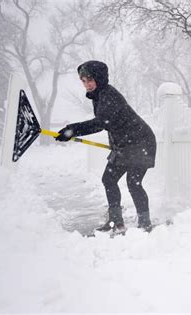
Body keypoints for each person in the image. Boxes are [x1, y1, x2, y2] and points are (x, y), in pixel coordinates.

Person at [55, 60, 156, 233]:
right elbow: (111, 123)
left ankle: (145, 224)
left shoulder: (108, 95)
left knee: (133, 183)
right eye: (83, 81)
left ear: (99, 78)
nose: (87, 85)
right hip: (125, 144)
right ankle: (116, 222)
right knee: (109, 179)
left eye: (90, 80)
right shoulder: (99, 95)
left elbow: (102, 122)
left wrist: (73, 130)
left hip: (140, 142)